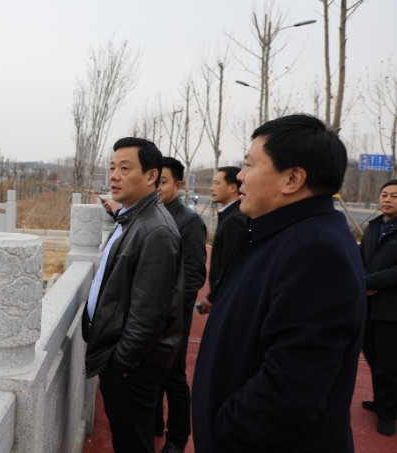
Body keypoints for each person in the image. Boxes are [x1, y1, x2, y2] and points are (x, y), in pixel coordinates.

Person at [191, 114, 365, 452]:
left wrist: (225, 430)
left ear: (292, 179)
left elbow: (289, 391)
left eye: (249, 164)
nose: (240, 176)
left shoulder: (316, 251)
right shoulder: (280, 235)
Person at [82, 137, 183, 452]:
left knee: (132, 443)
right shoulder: (133, 217)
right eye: (112, 167)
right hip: (125, 360)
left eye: (125, 168)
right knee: (127, 438)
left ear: (151, 176)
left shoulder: (156, 231)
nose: (114, 175)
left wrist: (120, 364)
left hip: (132, 367)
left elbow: (149, 314)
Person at [153, 156, 208, 453]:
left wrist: (170, 313)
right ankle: (154, 422)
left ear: (177, 186)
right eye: (153, 181)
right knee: (150, 370)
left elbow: (194, 277)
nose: (156, 187)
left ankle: (177, 439)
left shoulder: (189, 221)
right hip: (149, 314)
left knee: (173, 376)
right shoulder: (149, 214)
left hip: (173, 318)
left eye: (162, 182)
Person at [360, 179, 397, 436]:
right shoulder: (373, 227)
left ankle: (387, 414)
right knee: (372, 355)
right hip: (368, 306)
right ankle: (383, 399)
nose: (387, 199)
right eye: (384, 195)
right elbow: (360, 258)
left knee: (388, 363)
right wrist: (363, 280)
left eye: (394, 196)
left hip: (391, 310)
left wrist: (368, 282)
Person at [196, 166, 247, 315]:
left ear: (232, 188)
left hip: (227, 299)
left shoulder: (234, 219)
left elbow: (229, 264)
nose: (211, 188)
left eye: (217, 183)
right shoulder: (229, 215)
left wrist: (213, 297)